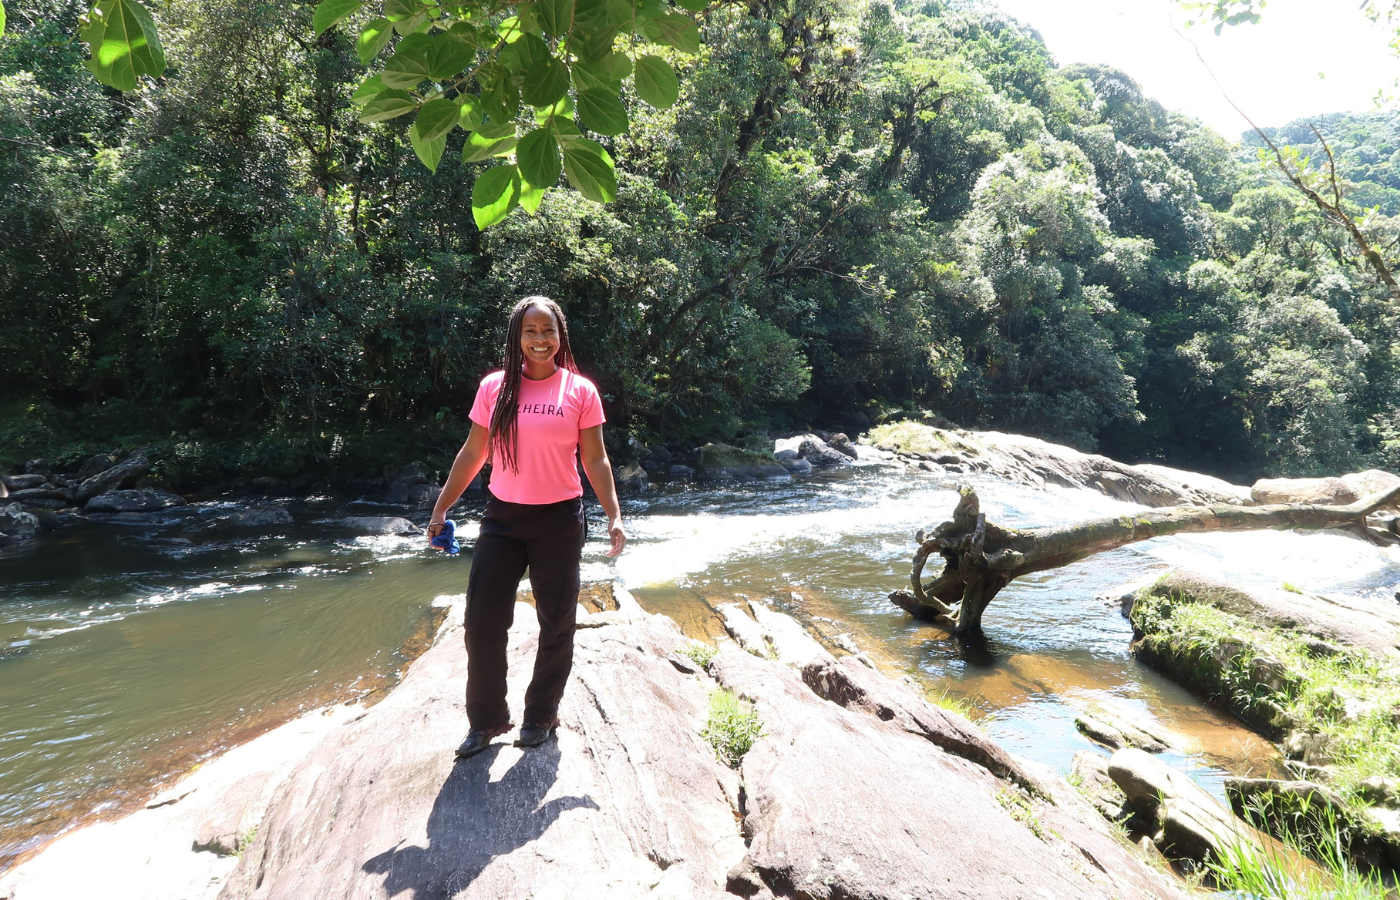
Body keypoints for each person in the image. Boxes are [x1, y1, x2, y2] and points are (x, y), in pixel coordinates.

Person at [428, 296, 627, 759]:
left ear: (561, 335)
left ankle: (541, 714)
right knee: (481, 622)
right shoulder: (495, 388)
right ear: (516, 338)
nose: (540, 340)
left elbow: (595, 458)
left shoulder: (580, 391)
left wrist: (614, 514)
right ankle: (486, 721)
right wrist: (440, 509)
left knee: (556, 622)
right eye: (530, 331)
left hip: (559, 520)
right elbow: (472, 453)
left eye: (548, 330)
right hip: (502, 519)